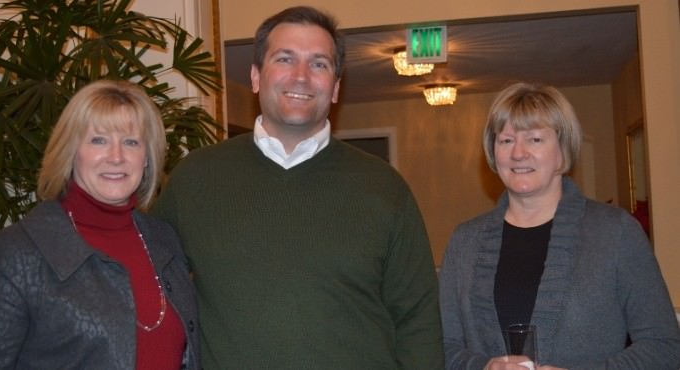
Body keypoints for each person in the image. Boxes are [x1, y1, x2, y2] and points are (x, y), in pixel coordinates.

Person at [151, 6, 444, 369]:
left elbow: (419, 321)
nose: (301, 76)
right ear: (256, 76)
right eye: (285, 59)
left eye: (319, 64)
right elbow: (149, 293)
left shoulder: (385, 188)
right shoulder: (195, 179)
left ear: (336, 87)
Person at [438, 82, 680, 370]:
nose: (518, 153)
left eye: (535, 139)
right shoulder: (465, 241)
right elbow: (442, 346)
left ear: (563, 151)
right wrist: (484, 366)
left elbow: (664, 347)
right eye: (506, 140)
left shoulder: (616, 233)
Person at [0, 79, 200, 369]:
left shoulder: (164, 240)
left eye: (131, 142)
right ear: (70, 152)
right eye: (98, 140)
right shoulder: (17, 252)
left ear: (147, 158)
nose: (116, 157)